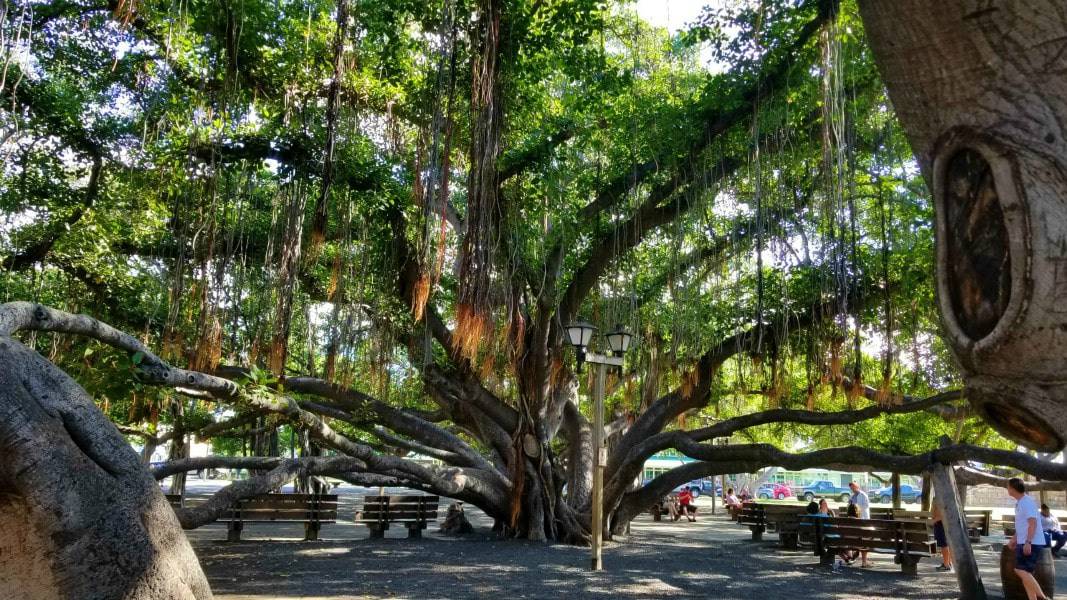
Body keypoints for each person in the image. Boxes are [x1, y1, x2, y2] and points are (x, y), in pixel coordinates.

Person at [1007, 478, 1050, 600]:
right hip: (1024, 541)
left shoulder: (1027, 502)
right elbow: (1022, 525)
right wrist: (1014, 539)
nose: (1007, 489)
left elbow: (1033, 524)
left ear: (1012, 488)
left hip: (1032, 542)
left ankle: (1043, 598)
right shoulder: (1020, 502)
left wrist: (1028, 542)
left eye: (1008, 487)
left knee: (1020, 570)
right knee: (1026, 574)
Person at [848, 482, 872, 568]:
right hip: (857, 523)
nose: (852, 489)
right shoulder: (851, 496)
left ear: (857, 486)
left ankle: (860, 557)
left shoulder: (863, 495)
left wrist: (857, 507)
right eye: (851, 488)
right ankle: (863, 560)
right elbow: (850, 507)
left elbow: (866, 506)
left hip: (862, 521)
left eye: (853, 487)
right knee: (863, 541)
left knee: (862, 539)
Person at [931, 500, 954, 572]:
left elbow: (943, 514)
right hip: (940, 523)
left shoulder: (941, 498)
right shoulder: (939, 497)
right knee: (945, 545)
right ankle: (948, 563)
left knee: (944, 545)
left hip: (940, 523)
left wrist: (934, 520)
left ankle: (946, 565)